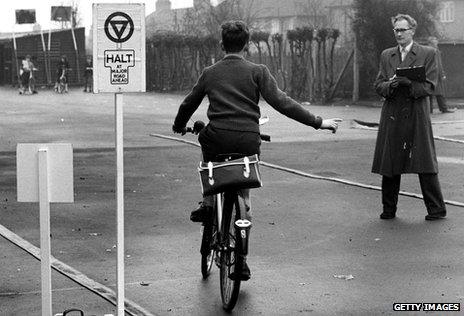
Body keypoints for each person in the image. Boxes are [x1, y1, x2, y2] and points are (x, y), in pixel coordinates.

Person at [172, 20, 342, 280]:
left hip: (217, 138)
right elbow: (283, 102)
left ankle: (208, 202)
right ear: (247, 45)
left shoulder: (210, 72)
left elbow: (188, 103)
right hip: (248, 140)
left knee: (204, 138)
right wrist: (319, 123)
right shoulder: (258, 71)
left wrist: (178, 125)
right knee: (245, 198)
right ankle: (241, 260)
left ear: (221, 44)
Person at [372, 14, 447, 221]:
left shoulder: (428, 53)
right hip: (393, 114)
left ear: (412, 31)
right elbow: (378, 84)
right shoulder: (387, 55)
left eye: (402, 30)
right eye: (396, 30)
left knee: (424, 160)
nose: (398, 33)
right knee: (390, 162)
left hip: (416, 114)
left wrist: (408, 84)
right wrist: (391, 84)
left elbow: (431, 86)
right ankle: (389, 210)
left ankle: (437, 210)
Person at [427, 36, 455, 114]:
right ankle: (439, 109)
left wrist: (442, 74)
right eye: (434, 41)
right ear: (431, 43)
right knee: (435, 93)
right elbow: (437, 64)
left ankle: (436, 109)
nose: (436, 42)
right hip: (432, 75)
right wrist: (441, 74)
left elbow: (439, 64)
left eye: (436, 41)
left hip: (434, 75)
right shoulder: (432, 51)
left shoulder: (435, 51)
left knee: (436, 93)